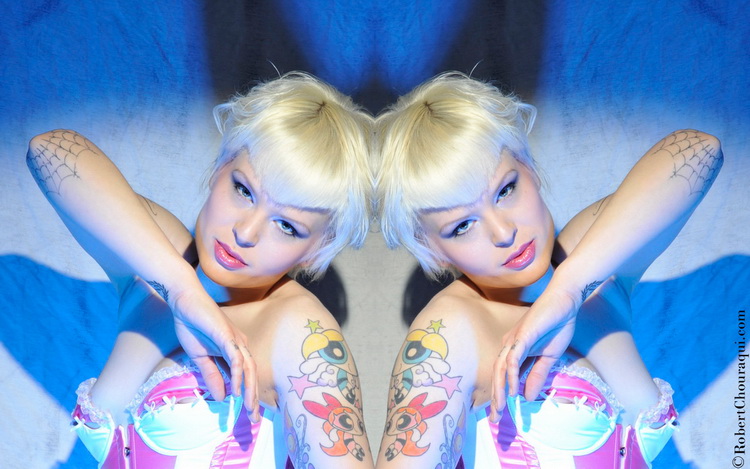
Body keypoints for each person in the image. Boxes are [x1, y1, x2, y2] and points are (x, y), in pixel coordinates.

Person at [373, 72, 722, 468]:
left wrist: (567, 292)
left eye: (505, 190)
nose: (504, 232)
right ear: (433, 252)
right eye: (463, 226)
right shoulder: (448, 332)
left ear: (530, 168)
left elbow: (700, 151)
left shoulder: (587, 264)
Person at [27, 72, 375, 468]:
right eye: (243, 190)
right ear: (219, 168)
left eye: (286, 226)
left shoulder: (301, 332)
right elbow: (48, 151)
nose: (245, 232)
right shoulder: (162, 265)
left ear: (315, 252)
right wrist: (182, 292)